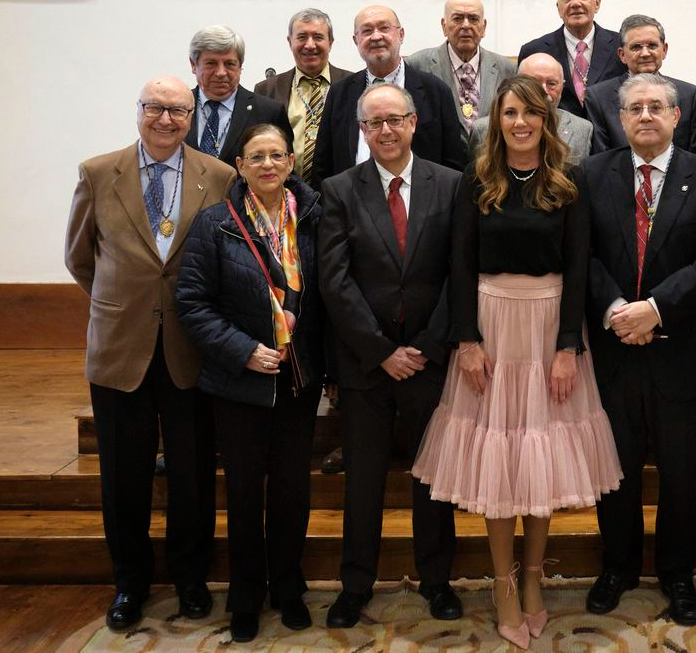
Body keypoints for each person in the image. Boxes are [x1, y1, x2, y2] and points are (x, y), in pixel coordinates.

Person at [411, 74, 622, 649]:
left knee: (543, 458)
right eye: (509, 113)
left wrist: (568, 346)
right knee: (498, 461)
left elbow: (579, 268)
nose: (520, 123)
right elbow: (459, 263)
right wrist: (467, 341)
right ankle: (502, 582)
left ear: (546, 119)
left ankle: (533, 579)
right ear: (495, 120)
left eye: (530, 112)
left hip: (549, 326)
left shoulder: (568, 180)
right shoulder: (476, 181)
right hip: (491, 327)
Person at [64, 76, 236, 632]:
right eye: (155, 109)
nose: (166, 119)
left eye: (178, 111)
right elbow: (80, 258)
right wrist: (123, 303)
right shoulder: (98, 172)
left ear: (193, 115)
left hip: (191, 345)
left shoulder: (219, 175)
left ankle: (190, 578)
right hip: (120, 347)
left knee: (191, 474)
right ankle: (130, 583)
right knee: (123, 474)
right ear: (138, 111)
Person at [582, 73, 696, 627]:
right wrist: (619, 310)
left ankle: (678, 572)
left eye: (656, 106)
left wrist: (656, 309)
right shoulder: (591, 174)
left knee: (682, 474)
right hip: (614, 349)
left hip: (685, 353)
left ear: (676, 116)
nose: (645, 115)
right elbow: (583, 256)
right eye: (634, 108)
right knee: (615, 470)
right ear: (621, 120)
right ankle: (617, 566)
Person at [319, 83, 464, 628]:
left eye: (394, 120)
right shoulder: (338, 190)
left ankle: (437, 581)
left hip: (430, 359)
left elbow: (460, 274)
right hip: (365, 364)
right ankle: (355, 585)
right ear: (362, 130)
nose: (385, 130)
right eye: (374, 122)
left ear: (413, 122)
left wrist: (425, 347)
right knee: (363, 481)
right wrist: (381, 352)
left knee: (432, 478)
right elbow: (335, 281)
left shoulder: (450, 185)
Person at [175, 124, 324, 643]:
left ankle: (287, 588)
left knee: (290, 493)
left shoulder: (312, 218)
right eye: (256, 156)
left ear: (289, 163)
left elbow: (327, 297)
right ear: (239, 165)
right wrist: (243, 351)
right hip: (237, 384)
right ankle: (244, 597)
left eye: (276, 155)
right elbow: (192, 303)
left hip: (297, 380)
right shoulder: (215, 223)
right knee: (241, 493)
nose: (266, 164)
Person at [311, 4, 466, 189]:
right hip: (353, 208)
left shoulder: (435, 91)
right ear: (356, 40)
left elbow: (454, 163)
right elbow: (323, 166)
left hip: (422, 209)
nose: (376, 36)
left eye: (384, 28)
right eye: (367, 31)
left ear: (401, 35)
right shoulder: (340, 94)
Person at [254, 8, 353, 185]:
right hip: (284, 193)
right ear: (289, 41)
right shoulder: (266, 89)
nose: (310, 45)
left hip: (340, 192)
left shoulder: (353, 85)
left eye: (318, 37)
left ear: (330, 42)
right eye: (301, 37)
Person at [407, 0, 517, 147]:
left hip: (491, 164)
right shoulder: (417, 66)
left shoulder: (507, 69)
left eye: (473, 19)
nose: (466, 25)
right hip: (440, 165)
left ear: (483, 27)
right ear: (444, 26)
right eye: (458, 18)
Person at [518, 0, 627, 119]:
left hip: (611, 140)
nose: (575, 3)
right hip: (557, 138)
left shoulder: (622, 46)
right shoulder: (534, 52)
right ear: (558, 8)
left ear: (596, 3)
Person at [585, 14, 696, 154]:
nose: (645, 53)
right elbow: (601, 159)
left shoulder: (688, 94)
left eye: (652, 45)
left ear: (664, 50)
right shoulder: (598, 97)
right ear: (622, 55)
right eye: (636, 47)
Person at [184, 25, 290, 167]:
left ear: (240, 66)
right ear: (193, 64)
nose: (221, 72)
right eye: (211, 63)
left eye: (229, 64)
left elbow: (285, 169)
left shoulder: (268, 112)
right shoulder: (177, 108)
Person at [468, 53, 592, 165]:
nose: (543, 91)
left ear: (562, 86)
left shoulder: (583, 129)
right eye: (534, 82)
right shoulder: (482, 129)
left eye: (552, 83)